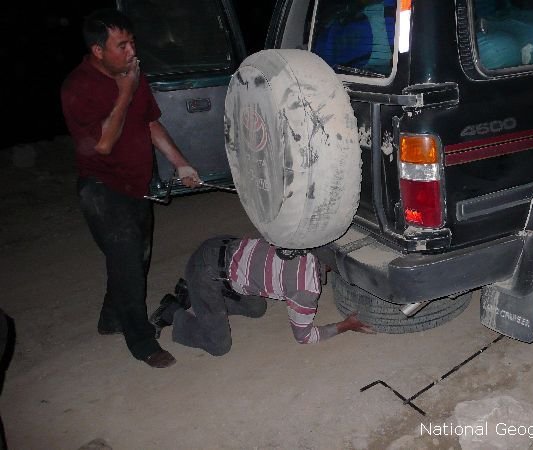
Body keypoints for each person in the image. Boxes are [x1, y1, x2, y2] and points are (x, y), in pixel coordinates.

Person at [61, 9, 201, 368]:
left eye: (132, 43)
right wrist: (125, 91)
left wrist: (180, 162)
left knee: (134, 258)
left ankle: (111, 317)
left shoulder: (135, 74)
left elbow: (149, 123)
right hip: (101, 187)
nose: (131, 52)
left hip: (137, 184)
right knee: (127, 262)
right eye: (121, 46)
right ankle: (142, 342)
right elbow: (103, 144)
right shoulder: (78, 87)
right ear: (98, 51)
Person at [149, 237, 374, 356]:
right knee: (219, 345)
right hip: (206, 272)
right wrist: (347, 325)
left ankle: (194, 295)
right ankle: (175, 311)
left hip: (220, 247)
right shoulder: (306, 288)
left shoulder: (305, 240)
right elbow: (304, 337)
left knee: (257, 308)